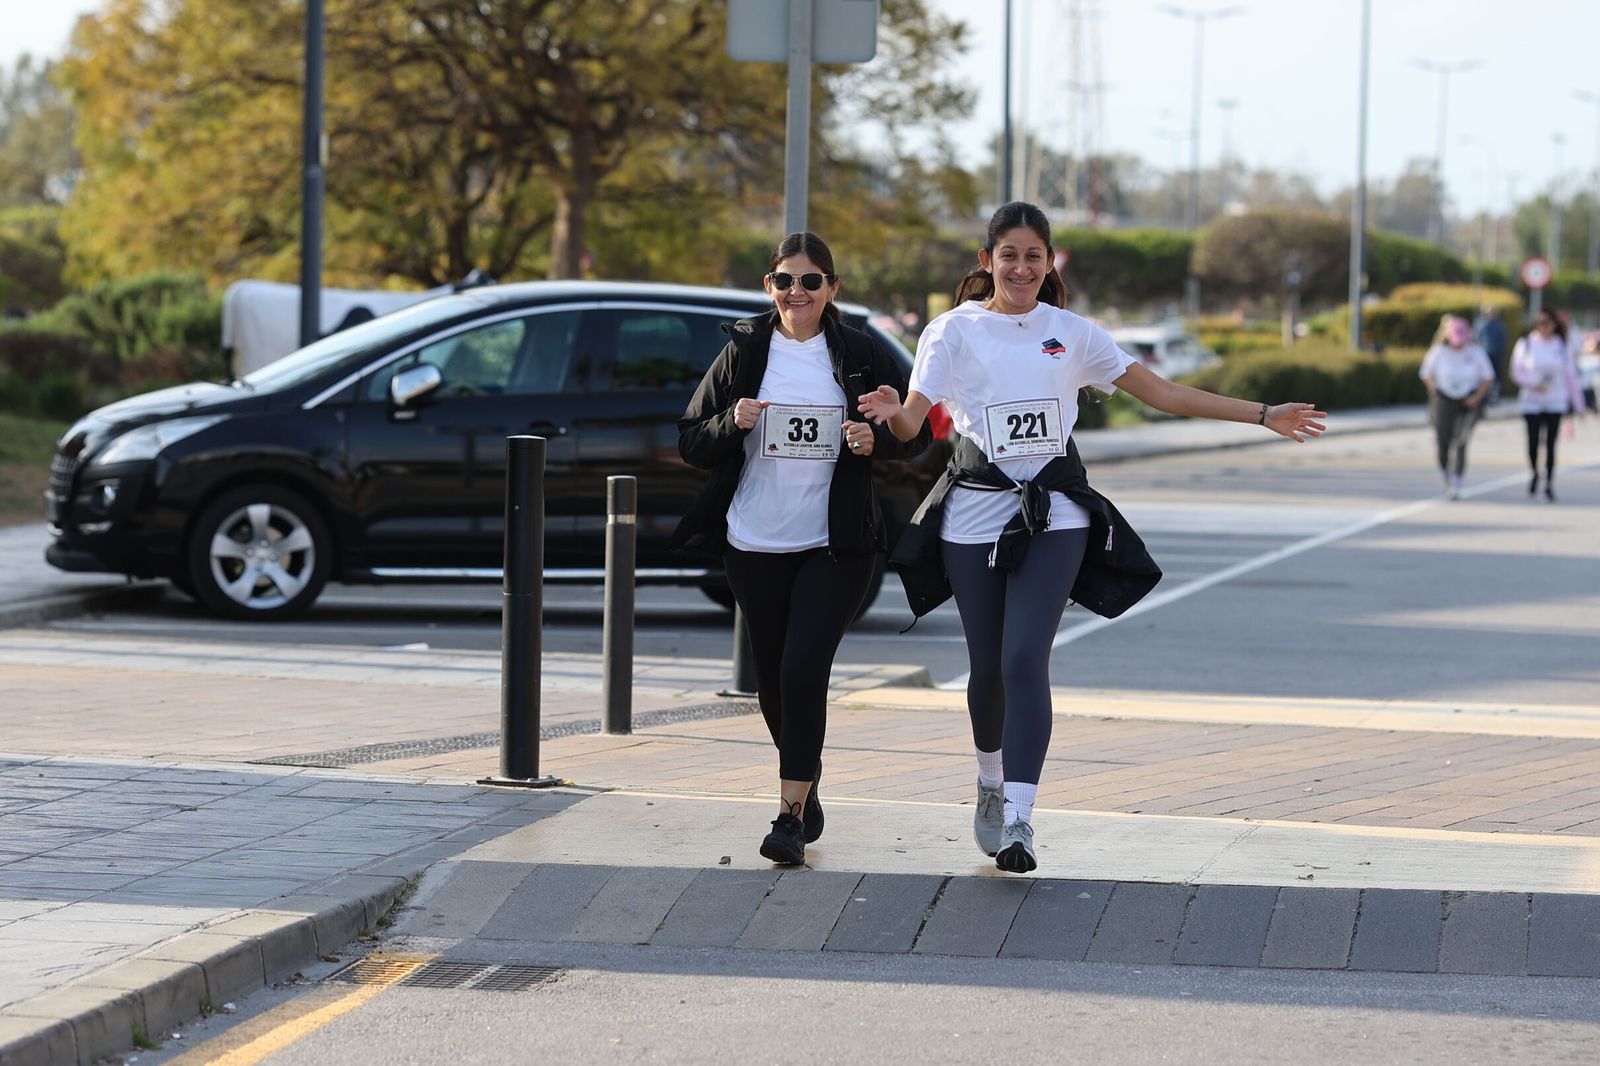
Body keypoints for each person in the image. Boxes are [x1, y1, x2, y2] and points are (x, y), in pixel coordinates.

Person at [857, 201, 1326, 874]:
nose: (1021, 268)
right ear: (986, 261)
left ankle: (1019, 820)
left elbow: (1161, 393)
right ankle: (990, 782)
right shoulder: (951, 332)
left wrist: (1262, 414)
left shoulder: (1071, 333)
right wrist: (887, 414)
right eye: (1009, 255)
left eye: (1034, 256)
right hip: (974, 513)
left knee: (1024, 660)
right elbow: (910, 423)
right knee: (987, 667)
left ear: (1051, 263)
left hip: (1057, 514)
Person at [672, 232, 931, 865]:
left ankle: (788, 815)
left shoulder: (862, 352)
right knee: (772, 683)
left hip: (835, 541)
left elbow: (911, 435)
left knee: (802, 669)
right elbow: (690, 440)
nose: (797, 293)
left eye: (811, 282)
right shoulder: (743, 351)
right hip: (755, 538)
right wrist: (730, 424)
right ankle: (806, 785)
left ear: (832, 289)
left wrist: (879, 442)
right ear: (770, 287)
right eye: (785, 281)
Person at [1510, 307, 1585, 502]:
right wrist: (1534, 383)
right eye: (1541, 323)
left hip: (1555, 400)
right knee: (1533, 442)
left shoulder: (1561, 346)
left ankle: (1549, 483)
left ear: (1554, 325)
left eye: (1548, 323)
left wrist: (1578, 405)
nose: (1545, 327)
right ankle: (1535, 472)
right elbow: (1516, 371)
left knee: (1551, 444)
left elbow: (1570, 376)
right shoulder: (1526, 344)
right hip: (1532, 399)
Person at [1419, 316, 1495, 498]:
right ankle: (1446, 473)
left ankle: (1457, 480)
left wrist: (1476, 397)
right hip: (1444, 400)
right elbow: (1426, 374)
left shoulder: (1475, 352)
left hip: (1468, 402)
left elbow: (1488, 377)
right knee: (1442, 441)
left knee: (1461, 442)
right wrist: (1434, 389)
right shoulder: (1438, 352)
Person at [1473, 304, 1509, 402]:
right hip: (1485, 354)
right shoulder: (1481, 323)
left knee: (1494, 375)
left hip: (1494, 353)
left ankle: (1492, 394)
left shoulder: (1498, 324)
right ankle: (1486, 395)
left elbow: (1503, 339)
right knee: (1486, 375)